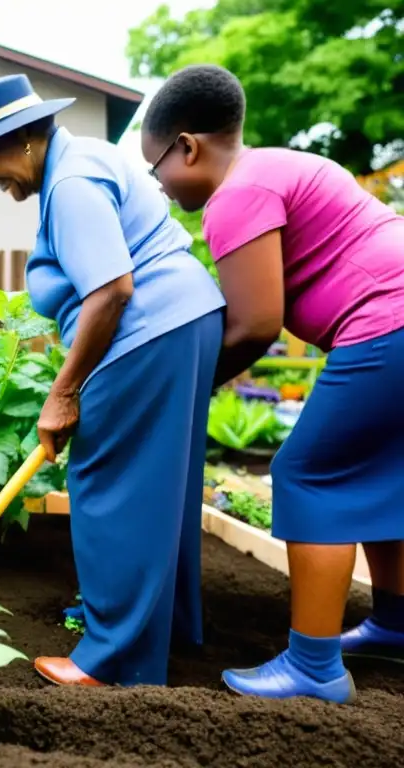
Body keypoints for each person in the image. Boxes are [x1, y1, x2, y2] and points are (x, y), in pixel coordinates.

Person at [0, 74, 227, 687]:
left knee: (106, 483)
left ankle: (112, 655)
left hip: (147, 329)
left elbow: (111, 290)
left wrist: (63, 392)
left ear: (20, 140)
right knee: (159, 488)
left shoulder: (69, 184)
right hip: (183, 320)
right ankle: (157, 625)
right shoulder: (87, 163)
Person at [141, 63, 404, 704]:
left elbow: (256, 324)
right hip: (393, 319)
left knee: (309, 474)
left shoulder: (237, 195)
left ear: (187, 146)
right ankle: (397, 624)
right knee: (381, 477)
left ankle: (313, 668)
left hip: (387, 321)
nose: (162, 187)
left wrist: (189, 388)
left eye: (157, 170)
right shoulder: (281, 165)